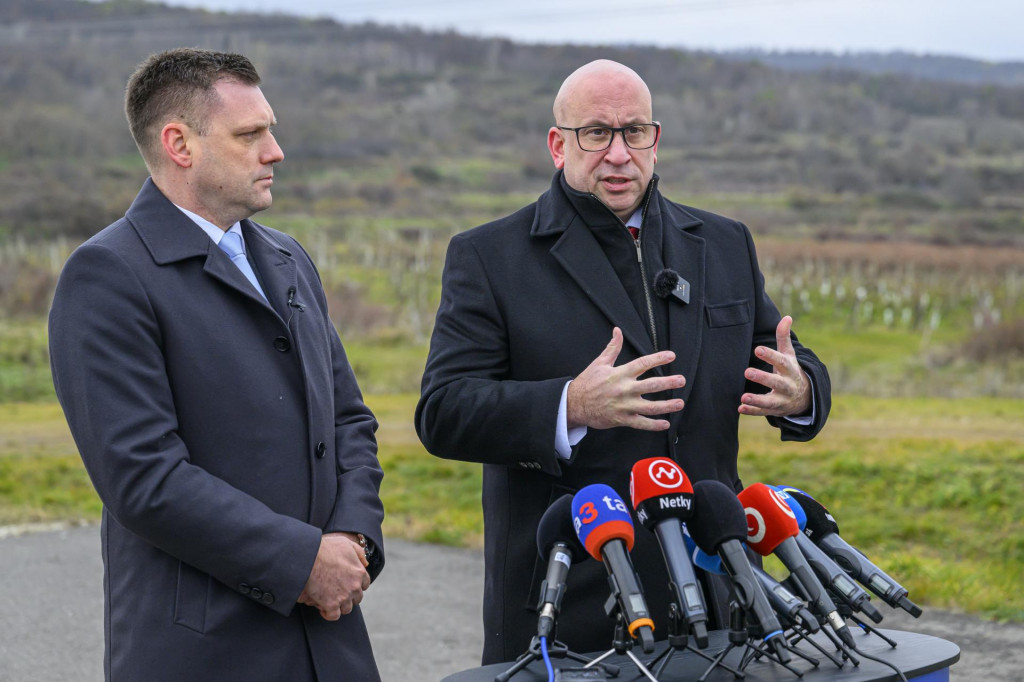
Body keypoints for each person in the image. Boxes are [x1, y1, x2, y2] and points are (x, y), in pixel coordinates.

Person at [415, 59, 831, 664]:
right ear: (559, 146)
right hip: (568, 602)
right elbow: (443, 411)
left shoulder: (722, 243)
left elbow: (787, 356)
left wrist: (802, 393)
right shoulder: (490, 257)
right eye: (596, 133)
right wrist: (572, 405)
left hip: (719, 593)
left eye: (634, 131)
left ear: (655, 141)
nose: (618, 153)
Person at [48, 48, 385, 681]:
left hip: (331, 643)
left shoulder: (289, 259)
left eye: (270, 129)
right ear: (180, 144)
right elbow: (145, 480)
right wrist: (302, 562)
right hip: (205, 652)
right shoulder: (108, 277)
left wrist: (355, 541)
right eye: (250, 134)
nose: (275, 150)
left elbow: (349, 421)